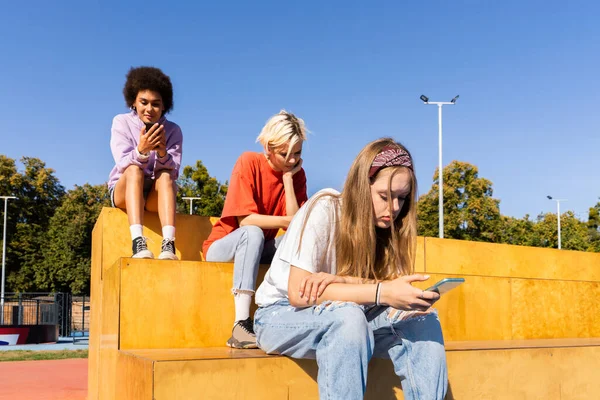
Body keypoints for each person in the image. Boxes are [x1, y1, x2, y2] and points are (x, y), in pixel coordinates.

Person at [254, 138, 447, 399]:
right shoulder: (326, 208)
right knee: (348, 318)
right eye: (384, 196)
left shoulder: (389, 228)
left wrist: (343, 282)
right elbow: (299, 293)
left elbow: (382, 288)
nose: (394, 208)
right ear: (361, 185)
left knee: (422, 320)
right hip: (280, 316)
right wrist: (379, 292)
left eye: (401, 199)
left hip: (353, 315)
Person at [203, 110, 308, 349]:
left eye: (298, 153)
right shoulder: (248, 161)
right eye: (284, 154)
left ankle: (296, 312)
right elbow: (245, 221)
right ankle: (241, 324)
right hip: (224, 245)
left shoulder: (296, 175)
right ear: (268, 148)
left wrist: (289, 179)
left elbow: (296, 223)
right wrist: (285, 222)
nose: (292, 160)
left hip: (259, 247)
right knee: (253, 233)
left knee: (296, 240)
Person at [108, 66, 183, 260]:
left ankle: (168, 243)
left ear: (164, 106)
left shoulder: (173, 130)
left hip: (153, 196)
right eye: (144, 102)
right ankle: (138, 241)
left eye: (156, 104)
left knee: (166, 175)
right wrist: (141, 151)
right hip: (125, 190)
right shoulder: (121, 122)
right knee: (134, 170)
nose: (149, 109)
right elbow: (123, 163)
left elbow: (174, 173)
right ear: (133, 101)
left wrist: (161, 152)